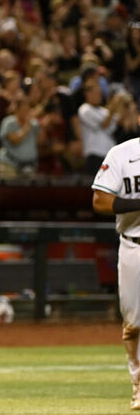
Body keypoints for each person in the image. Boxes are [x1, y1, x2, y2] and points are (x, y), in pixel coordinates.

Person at [91, 137, 140, 410]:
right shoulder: (122, 153)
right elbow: (100, 201)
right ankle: (139, 384)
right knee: (133, 323)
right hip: (134, 246)